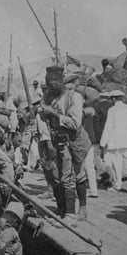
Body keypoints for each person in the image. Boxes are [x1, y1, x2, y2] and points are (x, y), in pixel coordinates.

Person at [40, 66, 92, 221]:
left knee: (71, 176)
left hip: (73, 142)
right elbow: (42, 118)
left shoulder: (74, 97)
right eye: (48, 85)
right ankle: (61, 211)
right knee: (56, 176)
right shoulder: (48, 97)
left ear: (60, 81)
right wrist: (47, 141)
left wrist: (53, 113)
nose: (50, 88)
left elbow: (75, 123)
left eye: (52, 83)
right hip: (56, 141)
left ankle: (73, 213)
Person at [99, 90, 127, 192]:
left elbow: (108, 127)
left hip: (115, 142)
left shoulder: (112, 110)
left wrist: (103, 143)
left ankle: (118, 184)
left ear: (113, 99)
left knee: (117, 164)